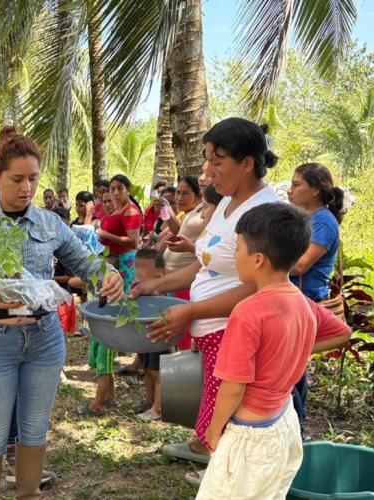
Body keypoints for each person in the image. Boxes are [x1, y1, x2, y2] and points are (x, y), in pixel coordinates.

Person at [0, 126, 124, 500]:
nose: (26, 188)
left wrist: (109, 274)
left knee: (35, 429)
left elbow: (86, 262)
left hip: (44, 340)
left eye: (33, 179)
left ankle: (28, 493)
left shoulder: (49, 223)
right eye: (17, 179)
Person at [130, 118, 280, 481]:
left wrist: (192, 311)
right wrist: (157, 285)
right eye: (207, 159)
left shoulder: (262, 211)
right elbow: (205, 263)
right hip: (212, 329)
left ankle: (227, 479)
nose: (208, 171)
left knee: (234, 412)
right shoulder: (227, 203)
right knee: (217, 404)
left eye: (218, 160)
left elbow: (260, 285)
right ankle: (218, 469)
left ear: (247, 163)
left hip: (236, 331)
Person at [196, 203, 351, 499]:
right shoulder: (302, 301)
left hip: (248, 439)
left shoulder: (248, 311)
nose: (233, 254)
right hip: (284, 424)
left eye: (237, 247)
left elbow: (233, 388)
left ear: (257, 260)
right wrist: (297, 349)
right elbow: (342, 332)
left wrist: (213, 431)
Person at [77, 174, 142, 417]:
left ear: (127, 189)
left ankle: (97, 403)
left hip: (122, 268)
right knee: (101, 317)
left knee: (107, 321)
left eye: (119, 189)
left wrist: (105, 236)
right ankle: (110, 394)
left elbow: (133, 242)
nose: (114, 194)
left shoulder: (131, 211)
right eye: (111, 190)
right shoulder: (118, 209)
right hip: (108, 264)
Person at [287, 162, 346, 426]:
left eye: (297, 184)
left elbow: (301, 264)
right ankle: (295, 427)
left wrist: (264, 259)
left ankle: (297, 427)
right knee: (292, 366)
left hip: (306, 301)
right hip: (295, 300)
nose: (290, 190)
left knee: (290, 367)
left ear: (315, 190)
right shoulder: (307, 217)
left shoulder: (323, 221)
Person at [158, 175, 206, 352]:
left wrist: (189, 247)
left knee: (185, 334)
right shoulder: (189, 214)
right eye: (178, 192)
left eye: (185, 193)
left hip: (187, 281)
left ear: (198, 194)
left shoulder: (205, 211)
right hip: (174, 281)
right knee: (175, 330)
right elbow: (181, 231)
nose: (179, 197)